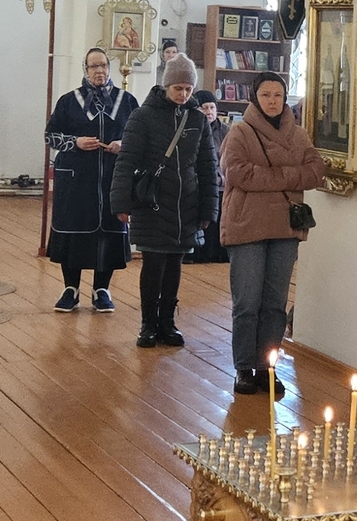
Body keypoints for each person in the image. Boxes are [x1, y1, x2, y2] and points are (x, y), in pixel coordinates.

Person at [219, 72, 327, 395]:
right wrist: (290, 175)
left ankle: (267, 367)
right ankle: (243, 367)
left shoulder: (298, 135)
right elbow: (237, 173)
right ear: (255, 98)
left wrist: (270, 175)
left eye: (278, 95)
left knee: (275, 304)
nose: (272, 101)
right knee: (247, 302)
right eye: (266, 95)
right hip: (246, 227)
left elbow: (316, 171)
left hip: (284, 228)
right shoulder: (240, 132)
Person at [110, 55, 216, 348]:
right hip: (152, 200)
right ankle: (148, 324)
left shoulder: (197, 119)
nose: (183, 94)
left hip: (185, 204)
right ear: (166, 85)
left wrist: (209, 208)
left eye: (188, 89)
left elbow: (208, 166)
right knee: (154, 263)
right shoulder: (143, 116)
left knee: (174, 264)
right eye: (178, 88)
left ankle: (168, 322)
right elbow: (126, 161)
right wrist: (121, 203)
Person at [45, 48, 137, 313]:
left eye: (103, 65)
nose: (100, 71)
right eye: (94, 66)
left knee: (108, 232)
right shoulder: (68, 101)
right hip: (76, 180)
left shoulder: (126, 101)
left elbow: (140, 136)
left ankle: (102, 290)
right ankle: (70, 289)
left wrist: (123, 144)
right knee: (74, 233)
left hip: (112, 177)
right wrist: (76, 142)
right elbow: (50, 136)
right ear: (85, 70)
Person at [190, 89, 232, 264]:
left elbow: (230, 158)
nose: (209, 112)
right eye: (204, 108)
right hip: (198, 181)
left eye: (212, 107)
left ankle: (219, 252)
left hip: (222, 181)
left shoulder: (225, 130)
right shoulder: (192, 128)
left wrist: (222, 178)